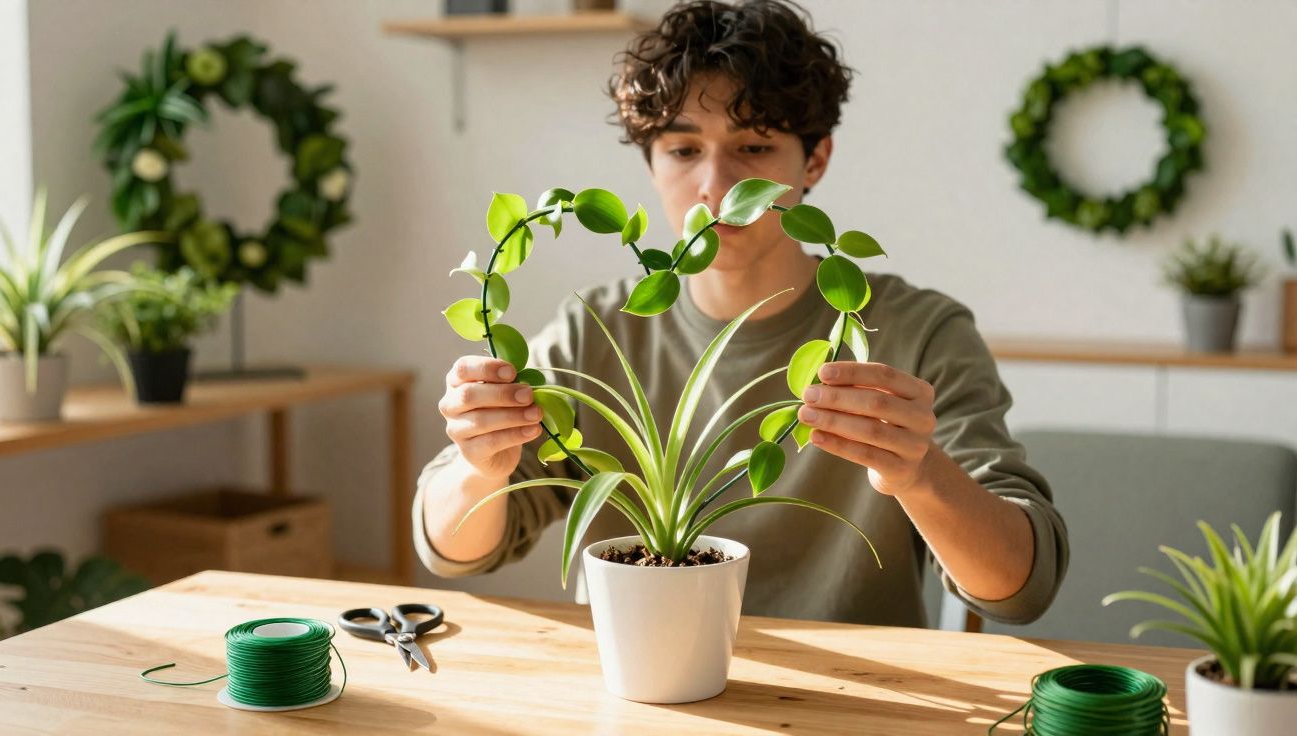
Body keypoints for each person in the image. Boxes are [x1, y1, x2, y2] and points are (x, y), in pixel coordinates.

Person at [414, 0, 1067, 628]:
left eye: (754, 149)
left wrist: (921, 472)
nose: (717, 188)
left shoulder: (915, 333)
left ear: (814, 160)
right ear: (650, 163)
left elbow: (1020, 587)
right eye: (683, 149)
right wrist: (481, 466)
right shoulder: (597, 332)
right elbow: (451, 549)